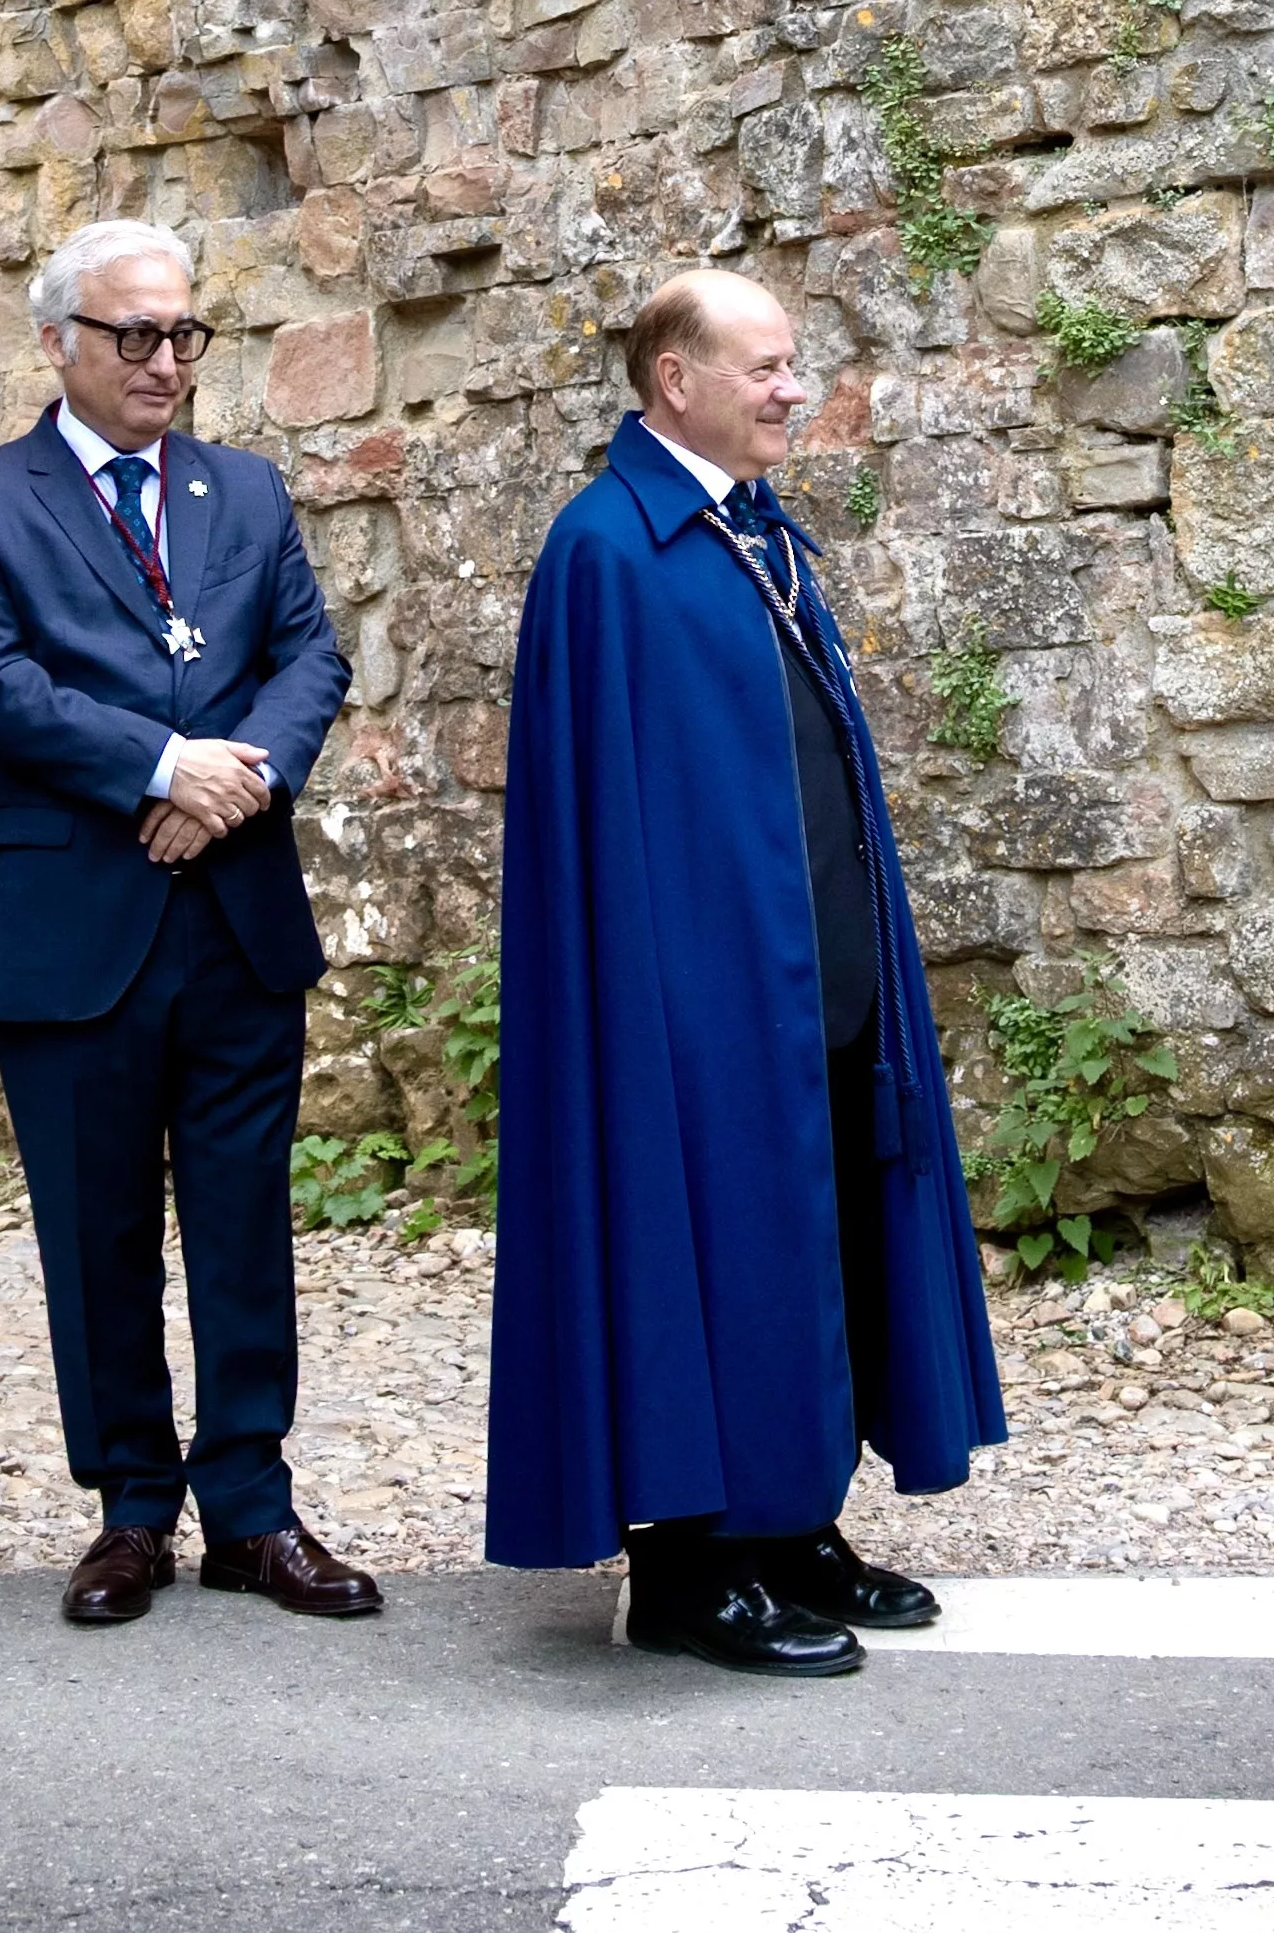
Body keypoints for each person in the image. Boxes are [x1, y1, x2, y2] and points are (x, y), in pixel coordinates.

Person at [483, 267, 1004, 1678]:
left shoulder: (751, 531)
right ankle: (692, 1565)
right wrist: (651, 1012)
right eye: (765, 367)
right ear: (676, 380)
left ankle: (789, 1522)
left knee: (813, 1240)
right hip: (693, 1005)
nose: (792, 389)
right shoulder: (608, 551)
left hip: (811, 970)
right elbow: (597, 825)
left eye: (791, 364)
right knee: (709, 1250)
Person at [0, 219, 380, 1627]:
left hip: (236, 915)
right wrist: (167, 766)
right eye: (134, 334)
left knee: (243, 1222)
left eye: (184, 333)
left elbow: (310, 656)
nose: (165, 360)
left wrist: (239, 783)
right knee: (96, 1229)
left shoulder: (246, 489)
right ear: (57, 341)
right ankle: (130, 1508)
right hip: (78, 918)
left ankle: (253, 1508)